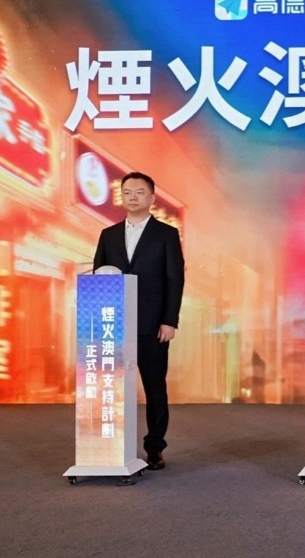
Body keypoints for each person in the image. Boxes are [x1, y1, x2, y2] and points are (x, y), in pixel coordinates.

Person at [93, 171, 185, 470]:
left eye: (139, 192)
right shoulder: (108, 235)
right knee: (112, 387)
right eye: (127, 192)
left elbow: (174, 279)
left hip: (152, 325)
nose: (133, 197)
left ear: (152, 197)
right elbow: (98, 277)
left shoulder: (166, 234)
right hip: (115, 326)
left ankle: (154, 447)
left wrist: (169, 320)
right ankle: (112, 445)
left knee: (154, 388)